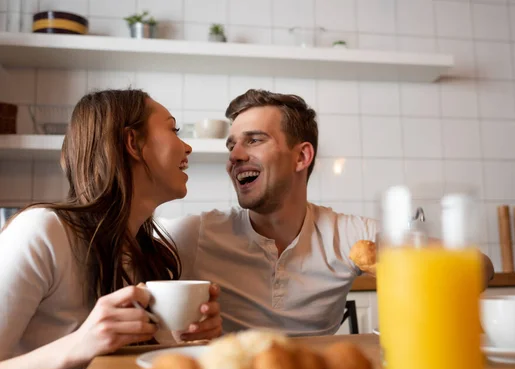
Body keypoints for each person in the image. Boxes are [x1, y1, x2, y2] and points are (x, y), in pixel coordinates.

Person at [163, 89, 494, 337]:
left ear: (301, 157)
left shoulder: (347, 234)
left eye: (254, 140)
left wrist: (412, 269)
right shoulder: (198, 233)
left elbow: (478, 265)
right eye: (231, 145)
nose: (234, 155)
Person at [0, 89, 222, 369]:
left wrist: (185, 337)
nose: (187, 146)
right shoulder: (41, 231)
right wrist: (80, 343)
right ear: (133, 143)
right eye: (173, 129)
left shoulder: (148, 252)